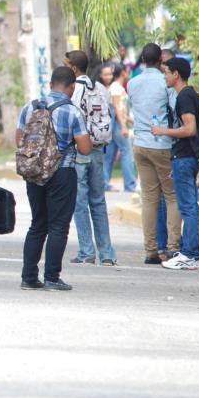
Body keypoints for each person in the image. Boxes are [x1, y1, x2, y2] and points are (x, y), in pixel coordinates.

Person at [17, 67, 92, 291]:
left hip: (34, 173)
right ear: (71, 88)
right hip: (62, 172)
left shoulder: (31, 106)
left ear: (50, 84)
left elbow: (19, 139)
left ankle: (29, 277)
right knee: (58, 226)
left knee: (37, 225)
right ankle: (51, 277)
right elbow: (85, 148)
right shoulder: (73, 112)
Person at [127, 43, 181, 264]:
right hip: (162, 143)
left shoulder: (132, 83)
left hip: (140, 143)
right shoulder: (164, 82)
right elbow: (175, 110)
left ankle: (150, 250)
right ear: (161, 60)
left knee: (149, 198)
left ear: (142, 58)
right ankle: (172, 248)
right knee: (171, 196)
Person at [152, 58, 199, 270]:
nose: (164, 77)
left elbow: (189, 128)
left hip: (185, 156)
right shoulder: (189, 95)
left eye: (166, 73)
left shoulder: (184, 96)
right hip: (184, 157)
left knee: (188, 206)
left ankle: (191, 254)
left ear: (176, 74)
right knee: (187, 205)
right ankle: (190, 251)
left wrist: (162, 131)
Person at [65, 51, 117, 266]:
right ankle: (107, 254)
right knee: (98, 201)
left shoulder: (73, 89)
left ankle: (87, 251)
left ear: (74, 68)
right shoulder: (101, 89)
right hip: (98, 151)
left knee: (79, 202)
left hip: (79, 150)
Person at [103, 62, 136, 192]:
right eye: (127, 71)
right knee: (127, 152)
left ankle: (104, 183)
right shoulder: (116, 87)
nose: (129, 73)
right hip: (117, 124)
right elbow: (116, 107)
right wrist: (123, 126)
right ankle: (130, 185)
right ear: (123, 72)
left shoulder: (116, 87)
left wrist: (128, 119)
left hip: (117, 123)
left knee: (109, 155)